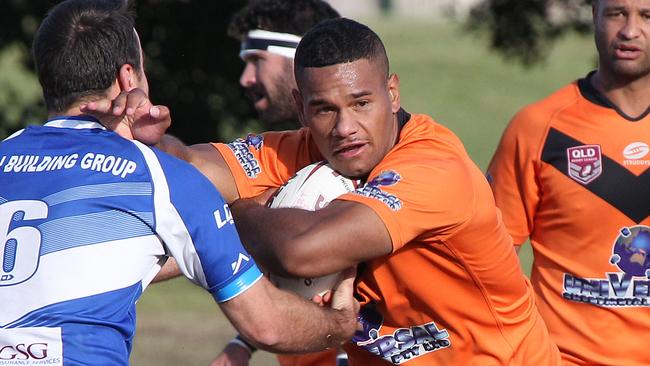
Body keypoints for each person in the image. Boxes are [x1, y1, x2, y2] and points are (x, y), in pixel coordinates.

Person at [106, 17, 562, 365]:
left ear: (393, 93)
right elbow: (185, 167)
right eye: (324, 109)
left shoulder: (435, 168)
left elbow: (302, 252)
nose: (345, 128)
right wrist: (148, 138)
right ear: (300, 107)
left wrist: (243, 208)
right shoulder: (297, 151)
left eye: (361, 103)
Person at [0, 1, 359, 364]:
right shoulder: (160, 179)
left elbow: (109, 255)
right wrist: (340, 323)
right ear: (128, 77)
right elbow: (268, 326)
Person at [486, 0, 650, 364]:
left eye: (647, 16)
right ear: (594, 15)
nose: (630, 30)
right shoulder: (538, 129)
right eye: (617, 13)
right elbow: (488, 263)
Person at [212, 1, 343, 365]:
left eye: (256, 60)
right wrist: (243, 342)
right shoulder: (276, 156)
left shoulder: (367, 150)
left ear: (301, 58)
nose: (245, 79)